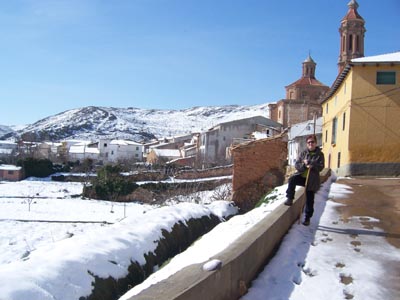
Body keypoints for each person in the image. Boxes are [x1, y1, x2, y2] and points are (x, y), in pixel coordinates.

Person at [284, 134, 325, 226]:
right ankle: (290, 198)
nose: (310, 144)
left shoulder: (320, 155)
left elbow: (321, 167)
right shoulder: (303, 153)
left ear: (315, 143)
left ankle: (307, 218)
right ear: (307, 144)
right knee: (292, 179)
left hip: (312, 181)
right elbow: (297, 165)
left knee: (310, 200)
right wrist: (304, 165)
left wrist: (312, 165)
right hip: (302, 177)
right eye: (309, 142)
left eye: (312, 142)